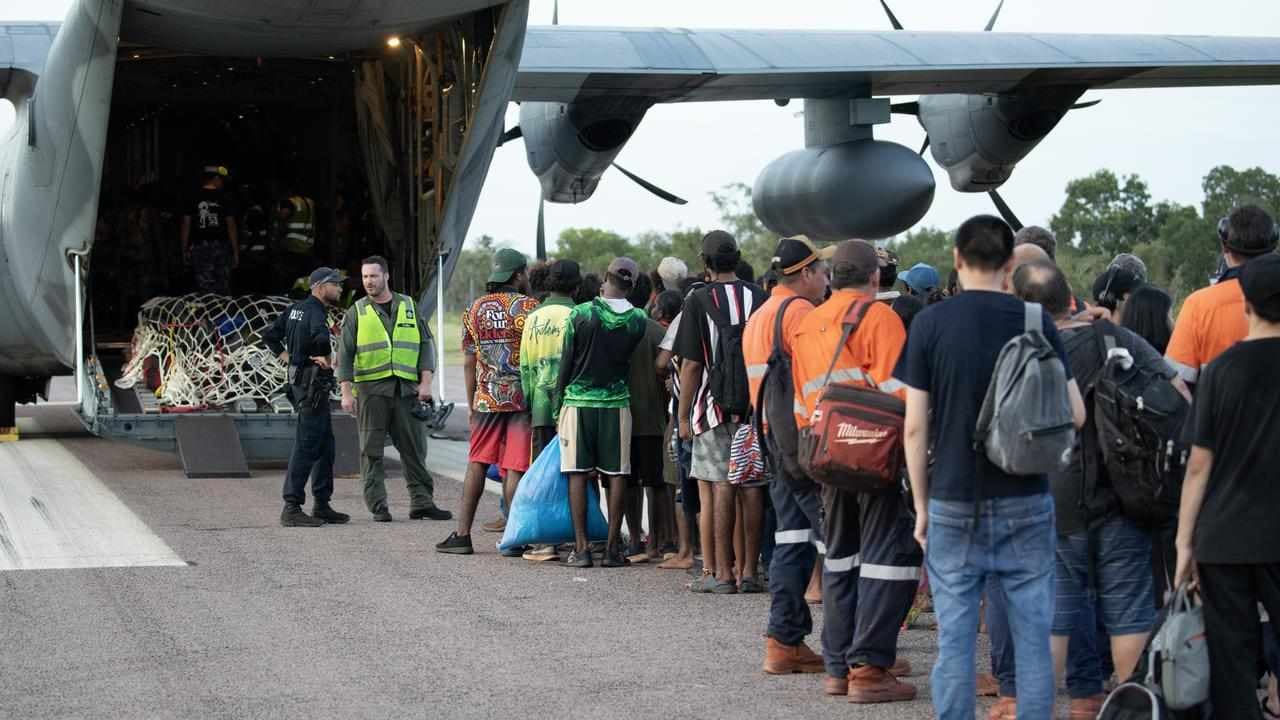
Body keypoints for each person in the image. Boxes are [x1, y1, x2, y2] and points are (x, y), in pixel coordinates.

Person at [894, 215, 1085, 720]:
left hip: (953, 498)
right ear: (1008, 266)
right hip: (1026, 497)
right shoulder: (1034, 320)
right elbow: (1077, 414)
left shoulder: (931, 323)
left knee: (955, 642)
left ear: (956, 260)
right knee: (1031, 639)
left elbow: (914, 427)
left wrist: (920, 506)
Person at [1013, 260, 1165, 716]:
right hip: (1125, 496)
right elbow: (1176, 391)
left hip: (1054, 500)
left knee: (1051, 618)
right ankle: (1134, 709)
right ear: (1070, 297)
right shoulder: (1120, 338)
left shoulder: (1031, 349)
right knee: (1130, 614)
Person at [791, 240, 919, 703]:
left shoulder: (807, 324)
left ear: (831, 276)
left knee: (840, 559)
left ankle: (837, 666)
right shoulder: (878, 317)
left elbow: (803, 402)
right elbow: (899, 394)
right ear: (875, 278)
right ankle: (869, 668)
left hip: (824, 454)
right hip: (873, 456)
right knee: (890, 559)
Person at [1175, 253, 1280, 720]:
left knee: (1231, 656)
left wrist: (1183, 542)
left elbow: (1199, 465)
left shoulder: (1221, 371)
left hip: (1224, 534)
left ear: (1247, 306)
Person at [744, 236, 831, 675]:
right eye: (823, 273)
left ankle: (784, 639)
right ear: (805, 274)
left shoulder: (760, 315)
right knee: (836, 541)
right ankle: (854, 653)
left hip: (771, 439)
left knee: (792, 539)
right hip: (800, 442)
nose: (827, 281)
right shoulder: (800, 313)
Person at [675, 231, 767, 593]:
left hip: (711, 410)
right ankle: (749, 572)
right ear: (739, 257)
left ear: (705, 263)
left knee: (720, 483)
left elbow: (692, 366)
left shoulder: (698, 300)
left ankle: (722, 574)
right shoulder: (760, 297)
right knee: (753, 486)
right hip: (753, 409)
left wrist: (683, 418)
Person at [437, 249, 539, 554]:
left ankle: (462, 535)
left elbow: (469, 363)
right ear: (518, 274)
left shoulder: (474, 310)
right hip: (521, 399)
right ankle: (515, 539)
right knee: (515, 468)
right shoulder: (529, 307)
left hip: (486, 399)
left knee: (478, 462)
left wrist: (471, 404)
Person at [337, 256, 448, 523]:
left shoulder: (409, 306)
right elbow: (345, 354)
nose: (368, 282)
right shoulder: (357, 312)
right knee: (371, 451)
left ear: (386, 276)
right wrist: (346, 392)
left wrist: (426, 382)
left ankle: (422, 503)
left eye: (373, 276)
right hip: (372, 391)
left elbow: (425, 346)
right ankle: (378, 506)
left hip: (406, 391)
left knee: (415, 449)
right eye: (365, 277)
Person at [555, 258, 649, 567]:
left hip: (579, 403)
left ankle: (581, 548)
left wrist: (559, 404)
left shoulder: (580, 314)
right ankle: (612, 548)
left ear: (604, 280)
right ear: (631, 286)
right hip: (616, 403)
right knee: (618, 473)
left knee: (577, 474)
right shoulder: (638, 319)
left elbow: (565, 363)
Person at [263, 267, 350, 527]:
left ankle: (322, 504)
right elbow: (321, 338)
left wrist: (291, 359)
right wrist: (323, 357)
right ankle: (291, 507)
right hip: (311, 386)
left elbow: (270, 336)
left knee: (325, 444)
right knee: (307, 444)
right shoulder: (315, 311)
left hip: (301, 383)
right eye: (336, 284)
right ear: (320, 286)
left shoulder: (293, 310)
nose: (340, 289)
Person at [1167, 204, 1278, 385]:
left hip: (1218, 410)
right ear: (1273, 247)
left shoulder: (1199, 305)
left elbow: (1177, 383)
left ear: (1225, 248)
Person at [624, 272, 672, 561]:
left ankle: (634, 539)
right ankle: (657, 540)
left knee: (628, 482)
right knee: (655, 483)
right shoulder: (656, 331)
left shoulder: (614, 327)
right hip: (654, 420)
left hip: (623, 419)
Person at [519, 259, 582, 464]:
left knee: (541, 473)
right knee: (573, 472)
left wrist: (530, 406)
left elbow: (526, 368)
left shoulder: (532, 317)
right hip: (574, 411)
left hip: (541, 411)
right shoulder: (581, 316)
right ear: (577, 287)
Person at [181, 165, 239, 295]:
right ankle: (221, 313)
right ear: (216, 179)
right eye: (221, 180)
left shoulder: (192, 196)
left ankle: (207, 313)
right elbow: (231, 225)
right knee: (223, 287)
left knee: (204, 288)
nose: (223, 183)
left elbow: (186, 224)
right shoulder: (225, 197)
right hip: (222, 246)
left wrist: (184, 249)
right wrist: (235, 251)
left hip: (200, 247)